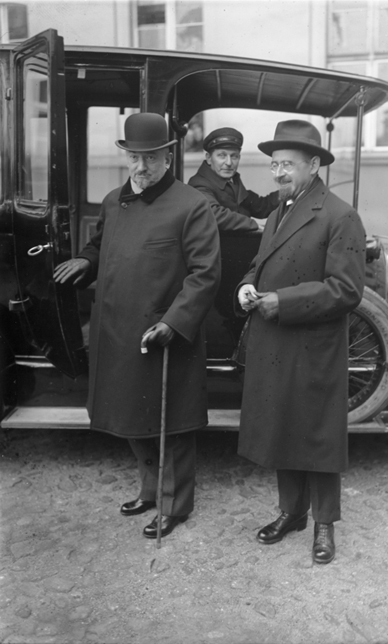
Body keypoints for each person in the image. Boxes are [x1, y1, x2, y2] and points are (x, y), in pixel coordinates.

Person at [54, 112, 221, 540]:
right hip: (116, 329)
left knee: (170, 422)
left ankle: (175, 505)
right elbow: (100, 243)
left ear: (167, 156)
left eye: (150, 158)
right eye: (134, 158)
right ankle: (150, 489)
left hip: (163, 334)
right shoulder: (114, 201)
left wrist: (173, 322)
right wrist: (86, 261)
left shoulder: (191, 205)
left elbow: (205, 274)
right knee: (130, 415)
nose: (141, 168)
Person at [236, 120, 366, 564]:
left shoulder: (339, 215)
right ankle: (291, 512)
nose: (278, 173)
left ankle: (324, 525)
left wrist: (282, 302)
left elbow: (347, 291)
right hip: (275, 342)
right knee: (282, 426)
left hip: (314, 345)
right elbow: (258, 264)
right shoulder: (277, 213)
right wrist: (246, 287)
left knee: (316, 434)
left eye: (287, 164)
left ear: (313, 165)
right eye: (274, 164)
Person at [188, 127, 279, 233]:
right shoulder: (199, 184)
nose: (229, 162)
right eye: (222, 156)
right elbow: (213, 214)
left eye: (234, 156)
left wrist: (290, 192)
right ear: (208, 158)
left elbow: (262, 206)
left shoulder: (231, 181)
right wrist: (253, 225)